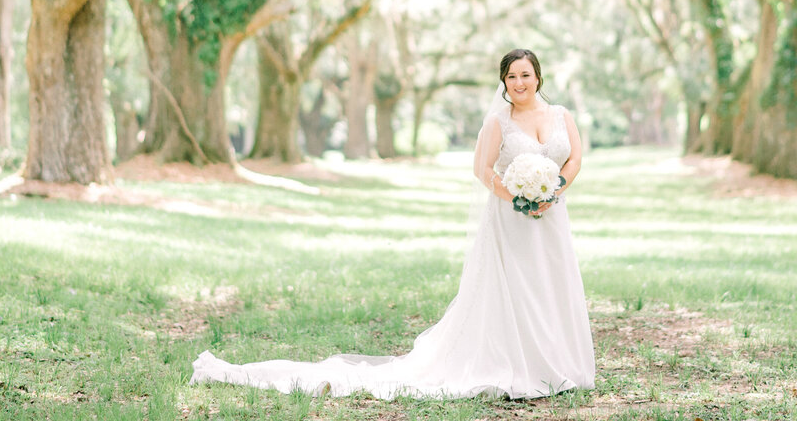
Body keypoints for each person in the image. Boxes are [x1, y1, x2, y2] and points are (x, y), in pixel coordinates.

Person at [190, 48, 595, 399]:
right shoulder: (498, 122)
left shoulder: (561, 115)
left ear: (538, 76)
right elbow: (482, 169)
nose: (519, 82)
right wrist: (520, 199)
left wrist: (553, 190)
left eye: (526, 74)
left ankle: (557, 363)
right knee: (519, 292)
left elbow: (573, 158)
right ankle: (522, 367)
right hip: (513, 221)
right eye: (511, 76)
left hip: (553, 217)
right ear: (504, 82)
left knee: (551, 285)